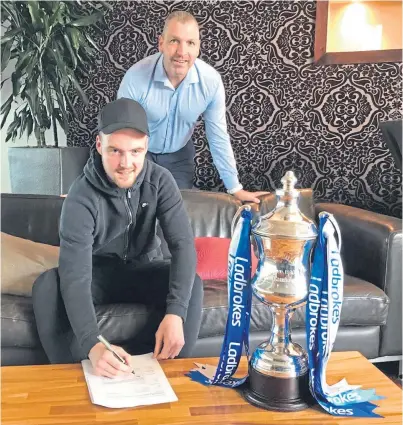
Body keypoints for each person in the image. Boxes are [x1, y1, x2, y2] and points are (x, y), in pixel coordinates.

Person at [32, 98, 203, 378]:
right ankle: (70, 375)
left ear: (146, 147)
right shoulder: (81, 195)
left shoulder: (160, 182)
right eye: (115, 151)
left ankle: (170, 377)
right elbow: (75, 273)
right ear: (100, 145)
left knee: (191, 285)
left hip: (144, 269)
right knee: (48, 285)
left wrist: (176, 313)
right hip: (97, 276)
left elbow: (183, 246)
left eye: (135, 151)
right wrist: (93, 343)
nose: (126, 163)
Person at [118, 11, 268, 203]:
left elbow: (218, 135)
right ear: (161, 43)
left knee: (176, 210)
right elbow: (121, 133)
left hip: (179, 156)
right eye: (174, 41)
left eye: (190, 43)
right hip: (139, 153)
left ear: (198, 48)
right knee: (137, 206)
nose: (182, 52)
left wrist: (235, 188)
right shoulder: (136, 77)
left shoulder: (210, 82)